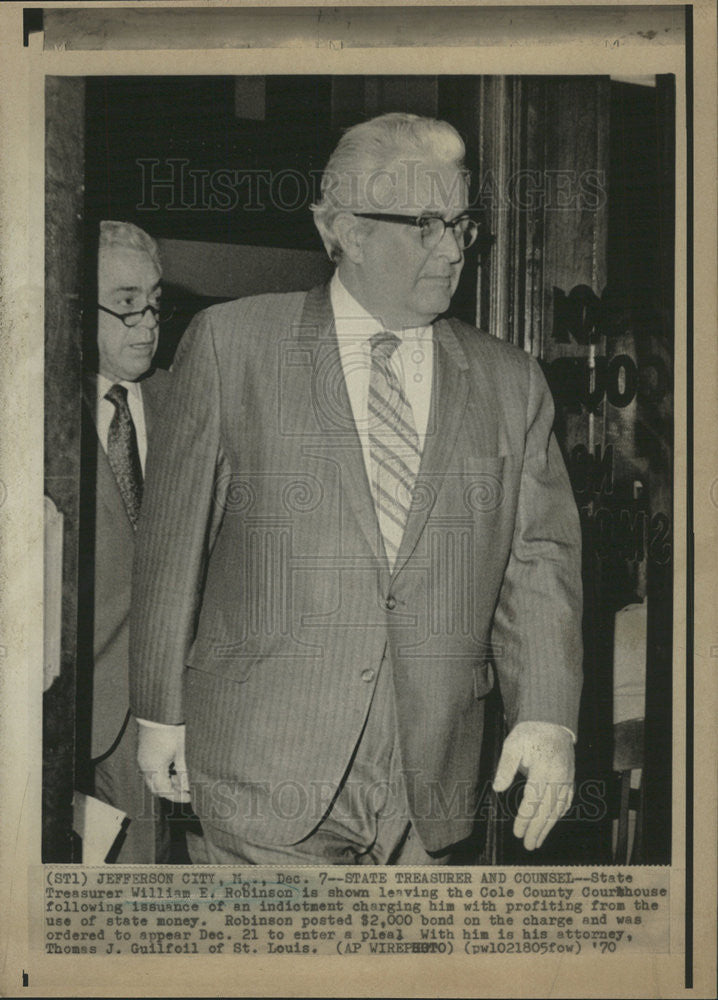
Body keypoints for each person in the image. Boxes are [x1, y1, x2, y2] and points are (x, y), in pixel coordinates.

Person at [129, 113, 583, 865]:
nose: (452, 250)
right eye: (426, 224)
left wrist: (546, 719)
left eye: (461, 225)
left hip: (431, 769)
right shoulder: (233, 345)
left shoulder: (510, 381)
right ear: (344, 229)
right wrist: (157, 712)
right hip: (263, 757)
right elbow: (171, 544)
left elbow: (539, 561)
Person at [80, 220, 172, 863]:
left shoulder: (183, 401)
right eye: (126, 303)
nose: (147, 323)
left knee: (137, 891)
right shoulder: (31, 406)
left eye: (156, 303)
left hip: (149, 708)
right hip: (51, 701)